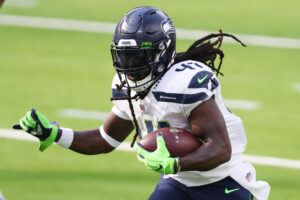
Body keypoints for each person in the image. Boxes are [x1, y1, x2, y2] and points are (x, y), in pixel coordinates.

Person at [13, 6, 270, 200]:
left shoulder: (185, 82)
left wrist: (177, 163)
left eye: (137, 57)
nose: (130, 67)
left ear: (161, 52)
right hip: (177, 183)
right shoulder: (126, 87)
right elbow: (105, 140)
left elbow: (221, 148)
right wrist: (55, 134)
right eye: (124, 57)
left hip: (222, 181)